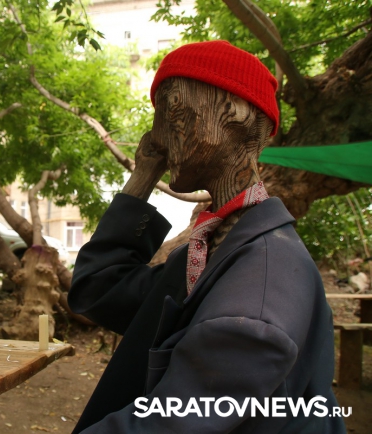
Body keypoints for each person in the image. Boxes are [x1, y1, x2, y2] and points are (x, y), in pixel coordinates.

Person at [68, 41, 345, 433]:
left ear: (234, 114)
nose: (155, 138)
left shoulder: (261, 285)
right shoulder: (213, 251)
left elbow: (170, 427)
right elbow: (98, 291)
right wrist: (143, 174)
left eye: (171, 112)